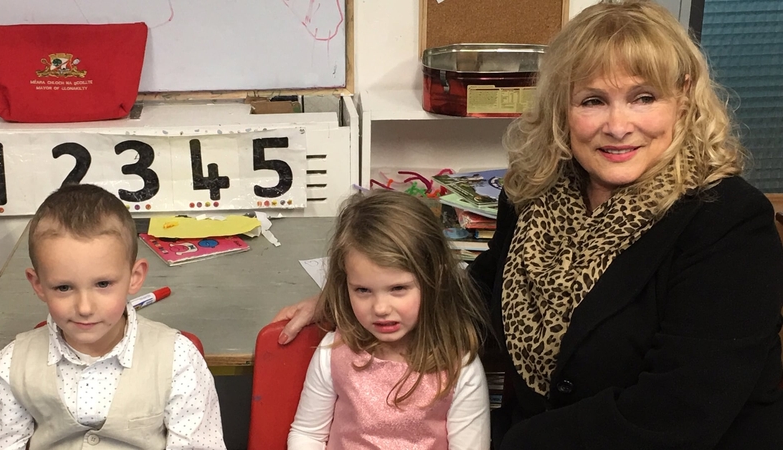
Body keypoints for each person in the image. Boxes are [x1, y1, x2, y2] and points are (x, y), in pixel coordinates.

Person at [275, 1, 783, 448]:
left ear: (685, 98)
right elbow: (482, 293)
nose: (618, 125)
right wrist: (363, 298)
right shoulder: (534, 193)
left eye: (644, 97)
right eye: (593, 100)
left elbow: (679, 412)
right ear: (562, 107)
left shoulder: (730, 224)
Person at [0, 184, 227, 450]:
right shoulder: (10, 365)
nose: (85, 307)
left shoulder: (177, 359)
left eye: (102, 284)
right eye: (63, 288)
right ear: (38, 284)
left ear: (135, 278)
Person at [287, 190, 491, 449]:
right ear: (345, 284)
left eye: (398, 289)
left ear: (435, 280)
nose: (380, 308)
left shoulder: (460, 368)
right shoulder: (333, 352)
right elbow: (307, 434)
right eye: (362, 290)